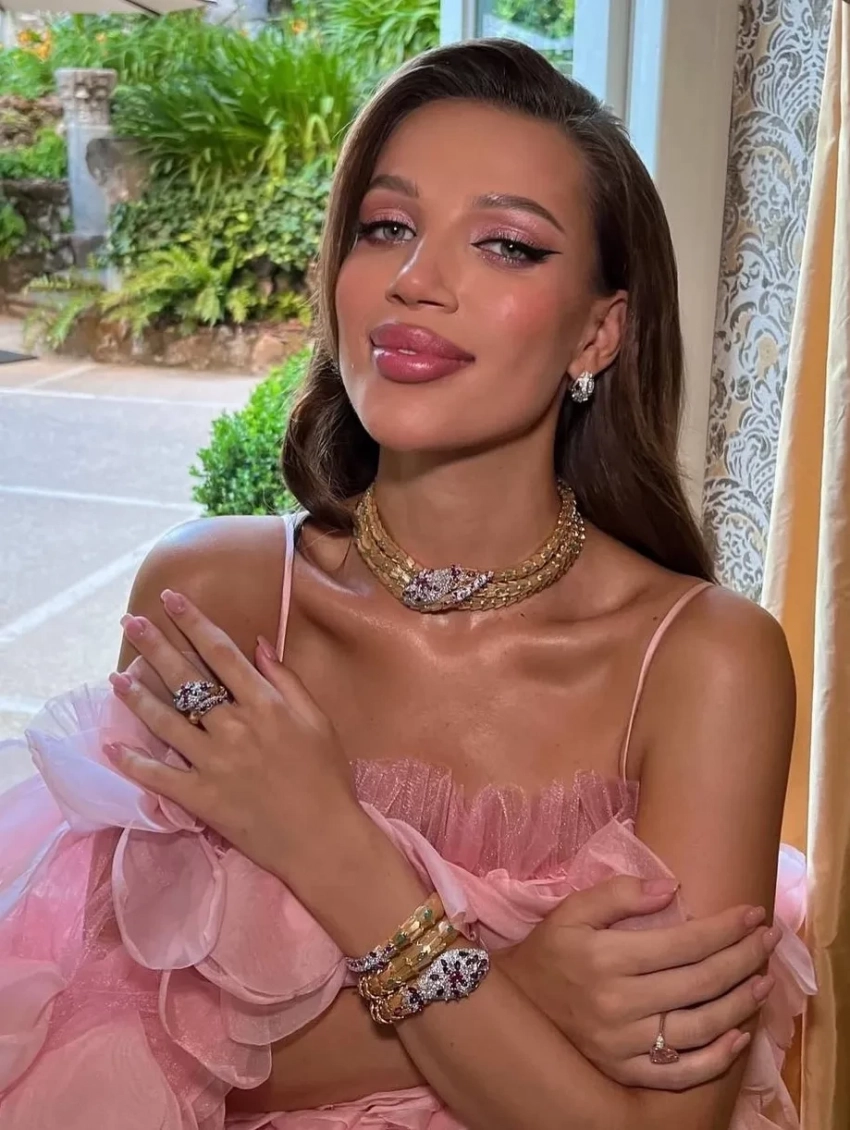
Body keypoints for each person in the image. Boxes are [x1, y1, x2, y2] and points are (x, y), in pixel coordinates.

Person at [0, 38, 814, 1130]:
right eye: (387, 226)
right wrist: (520, 983)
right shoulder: (214, 599)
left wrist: (335, 850)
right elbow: (104, 1049)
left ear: (598, 332)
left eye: (507, 245)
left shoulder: (704, 662)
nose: (417, 281)